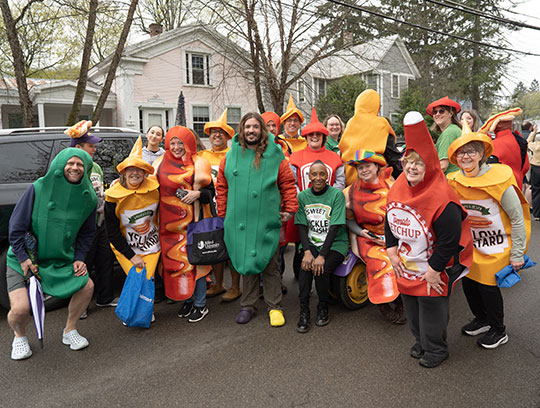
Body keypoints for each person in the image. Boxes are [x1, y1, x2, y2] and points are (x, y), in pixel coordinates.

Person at [385, 111, 473, 368]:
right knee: (411, 307)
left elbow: (449, 240)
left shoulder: (443, 198)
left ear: (431, 165)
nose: (411, 167)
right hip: (407, 262)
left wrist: (434, 271)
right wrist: (391, 252)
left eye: (419, 162)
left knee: (432, 309)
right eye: (408, 161)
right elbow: (390, 220)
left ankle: (436, 348)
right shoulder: (398, 186)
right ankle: (421, 341)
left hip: (436, 264)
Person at [6, 148, 97, 359]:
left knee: (87, 286)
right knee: (20, 310)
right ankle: (19, 336)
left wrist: (79, 258)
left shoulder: (89, 198)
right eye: (70, 163)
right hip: (25, 258)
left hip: (59, 259)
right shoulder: (38, 188)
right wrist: (22, 257)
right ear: (60, 165)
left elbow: (88, 232)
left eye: (80, 165)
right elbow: (16, 226)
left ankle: (70, 330)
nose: (75, 168)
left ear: (86, 169)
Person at [447, 120, 530, 349]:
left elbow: (518, 217)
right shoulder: (454, 181)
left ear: (482, 153)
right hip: (471, 247)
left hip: (497, 247)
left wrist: (517, 253)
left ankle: (498, 329)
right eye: (461, 152)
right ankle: (482, 320)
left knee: (488, 287)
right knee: (469, 285)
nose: (466, 157)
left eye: (471, 151)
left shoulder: (500, 180)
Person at [216, 112, 298, 326]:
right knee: (246, 263)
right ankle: (248, 304)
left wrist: (290, 208)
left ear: (261, 130)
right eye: (247, 127)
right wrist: (223, 214)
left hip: (266, 219)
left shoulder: (276, 154)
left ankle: (274, 306)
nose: (251, 130)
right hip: (239, 220)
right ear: (242, 130)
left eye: (255, 127)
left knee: (269, 263)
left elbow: (287, 183)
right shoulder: (231, 155)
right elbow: (222, 186)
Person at [154, 126, 214, 322]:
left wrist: (198, 194)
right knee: (177, 264)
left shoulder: (199, 163)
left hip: (194, 225)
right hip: (168, 227)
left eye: (181, 142)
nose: (177, 147)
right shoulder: (159, 163)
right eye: (173, 142)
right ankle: (187, 299)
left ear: (189, 143)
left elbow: (211, 192)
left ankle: (200, 304)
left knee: (196, 263)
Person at [104, 137, 161, 322]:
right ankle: (134, 311)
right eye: (131, 169)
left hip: (152, 245)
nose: (135, 173)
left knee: (147, 278)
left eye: (139, 170)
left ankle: (144, 311)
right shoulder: (112, 197)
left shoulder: (154, 189)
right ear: (124, 172)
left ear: (145, 173)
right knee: (136, 276)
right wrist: (131, 255)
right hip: (125, 247)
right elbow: (111, 232)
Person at [344, 150, 404, 324]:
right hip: (367, 237)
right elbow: (349, 220)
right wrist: (362, 232)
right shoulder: (349, 193)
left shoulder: (393, 187)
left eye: (367, 166)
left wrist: (393, 238)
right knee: (379, 261)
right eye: (360, 167)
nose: (364, 170)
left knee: (402, 259)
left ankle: (401, 300)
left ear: (377, 166)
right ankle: (383, 304)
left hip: (396, 236)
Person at [287, 108, 345, 280]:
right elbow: (292, 182)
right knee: (301, 243)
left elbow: (340, 182)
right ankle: (301, 279)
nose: (314, 137)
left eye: (318, 134)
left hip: (328, 210)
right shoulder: (295, 157)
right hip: (302, 208)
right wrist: (302, 199)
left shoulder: (335, 157)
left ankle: (325, 280)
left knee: (327, 242)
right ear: (305, 136)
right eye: (311, 134)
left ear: (323, 137)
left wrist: (331, 200)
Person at [69, 121, 117, 315]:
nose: (95, 149)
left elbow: (98, 191)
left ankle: (105, 298)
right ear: (78, 147)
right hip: (82, 226)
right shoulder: (71, 167)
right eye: (91, 145)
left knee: (104, 259)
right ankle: (81, 307)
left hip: (100, 221)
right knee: (83, 263)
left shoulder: (95, 166)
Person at [294, 161, 348, 333]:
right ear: (309, 177)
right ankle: (304, 310)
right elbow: (302, 226)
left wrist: (321, 256)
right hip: (312, 243)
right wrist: (308, 252)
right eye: (314, 174)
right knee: (305, 267)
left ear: (328, 176)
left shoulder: (336, 195)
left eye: (322, 174)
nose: (318, 178)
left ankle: (322, 306)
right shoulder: (302, 196)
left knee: (320, 268)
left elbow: (334, 227)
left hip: (335, 243)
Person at [199, 109, 242, 302]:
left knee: (232, 249)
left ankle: (235, 286)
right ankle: (218, 284)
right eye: (213, 132)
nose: (217, 135)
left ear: (227, 136)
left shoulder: (235, 155)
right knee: (214, 248)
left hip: (232, 209)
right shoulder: (201, 156)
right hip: (208, 210)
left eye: (221, 132)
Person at [339, 89, 401, 184]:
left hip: (351, 182)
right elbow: (392, 156)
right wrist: (401, 178)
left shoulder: (350, 123)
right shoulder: (381, 123)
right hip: (375, 182)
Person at [479, 108, 530, 190]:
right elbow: (526, 166)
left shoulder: (494, 145)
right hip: (518, 184)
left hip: (502, 188)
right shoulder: (519, 139)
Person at [426, 96, 462, 175]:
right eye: (435, 112)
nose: (437, 114)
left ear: (451, 114)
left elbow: (442, 166)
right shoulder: (453, 129)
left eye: (441, 111)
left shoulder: (449, 133)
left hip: (449, 181)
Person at [527, 123, 540, 220]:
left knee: (535, 190)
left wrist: (533, 132)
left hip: (535, 168)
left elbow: (527, 142)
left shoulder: (533, 145)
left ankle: (536, 214)